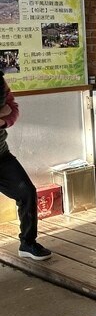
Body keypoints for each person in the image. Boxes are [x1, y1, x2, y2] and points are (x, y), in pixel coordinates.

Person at [0, 70, 52, 261]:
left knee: (27, 192)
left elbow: (12, 109)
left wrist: (3, 118)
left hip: (2, 155)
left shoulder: (0, 81)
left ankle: (28, 243)